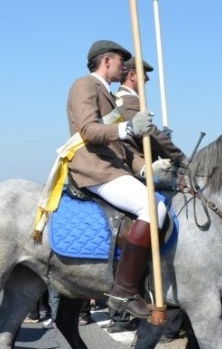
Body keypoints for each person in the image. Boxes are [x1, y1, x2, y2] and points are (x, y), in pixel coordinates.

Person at [66, 40, 165, 319]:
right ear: (107, 60)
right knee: (153, 207)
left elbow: (120, 148)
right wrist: (128, 127)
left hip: (114, 165)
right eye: (122, 62)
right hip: (94, 167)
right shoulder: (84, 85)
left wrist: (147, 169)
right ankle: (124, 290)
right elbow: (88, 130)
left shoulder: (108, 95)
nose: (124, 68)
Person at [107, 58, 187, 333]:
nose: (147, 83)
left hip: (136, 166)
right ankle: (129, 289)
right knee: (158, 211)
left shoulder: (123, 102)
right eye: (144, 78)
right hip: (135, 169)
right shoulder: (128, 104)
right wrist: (180, 157)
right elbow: (152, 138)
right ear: (131, 76)